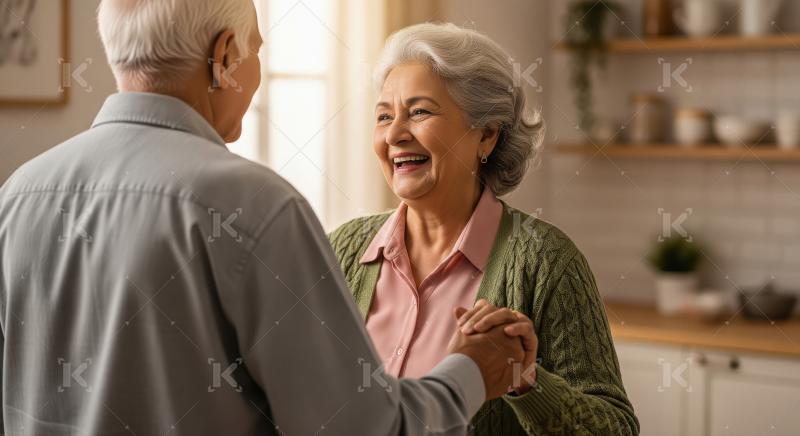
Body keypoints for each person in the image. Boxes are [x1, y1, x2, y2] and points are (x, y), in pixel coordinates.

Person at [0, 2, 531, 435]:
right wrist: (470, 372)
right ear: (224, 57)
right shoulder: (254, 206)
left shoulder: (19, 195)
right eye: (256, 49)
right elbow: (362, 429)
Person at [329, 23, 640, 435]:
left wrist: (527, 379)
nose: (395, 135)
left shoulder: (546, 262)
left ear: (487, 134)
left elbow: (615, 430)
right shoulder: (343, 249)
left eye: (419, 111)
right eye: (384, 116)